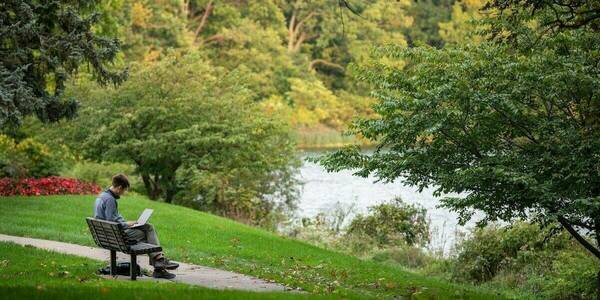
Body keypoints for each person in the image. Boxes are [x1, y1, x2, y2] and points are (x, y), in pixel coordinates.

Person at [93, 174, 179, 279]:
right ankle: (159, 263)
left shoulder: (102, 196)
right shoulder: (110, 200)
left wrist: (126, 222)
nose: (123, 193)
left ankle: (159, 262)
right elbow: (112, 222)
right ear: (120, 187)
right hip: (116, 235)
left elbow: (109, 220)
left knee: (148, 227)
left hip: (108, 235)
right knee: (147, 233)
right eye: (124, 190)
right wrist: (126, 224)